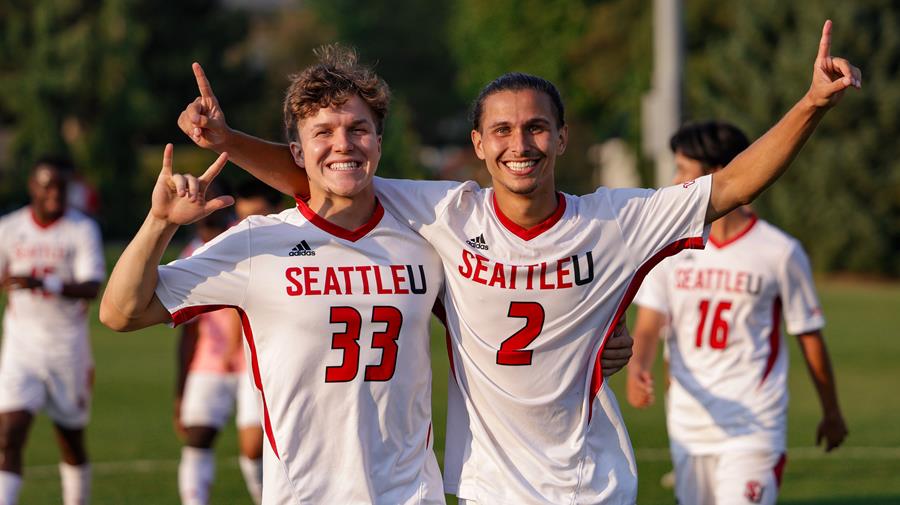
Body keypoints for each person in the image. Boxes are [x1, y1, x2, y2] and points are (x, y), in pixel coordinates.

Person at [178, 20, 859, 503]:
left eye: (536, 126)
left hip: (593, 484)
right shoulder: (444, 211)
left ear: (561, 135)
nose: (520, 143)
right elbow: (323, 177)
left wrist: (810, 104)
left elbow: (733, 184)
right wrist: (226, 139)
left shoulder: (615, 220)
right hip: (488, 486)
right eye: (501, 129)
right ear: (478, 143)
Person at [625, 121, 847, 505]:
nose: (675, 180)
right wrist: (638, 366)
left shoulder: (779, 251)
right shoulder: (670, 249)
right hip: (689, 429)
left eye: (683, 169)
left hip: (754, 429)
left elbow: (809, 336)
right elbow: (647, 325)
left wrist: (831, 411)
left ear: (715, 174)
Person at [0, 157, 105, 505]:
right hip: (21, 347)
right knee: (9, 434)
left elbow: (91, 286)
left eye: (59, 187)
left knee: (70, 438)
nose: (54, 194)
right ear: (32, 187)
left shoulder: (81, 228)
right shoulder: (10, 227)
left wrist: (41, 281)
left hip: (66, 348)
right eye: (46, 186)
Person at [174, 180, 275, 505]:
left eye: (211, 198)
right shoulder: (190, 252)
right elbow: (187, 328)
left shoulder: (243, 239)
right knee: (197, 437)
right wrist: (180, 386)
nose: (204, 205)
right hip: (210, 361)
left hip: (252, 359)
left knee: (252, 447)